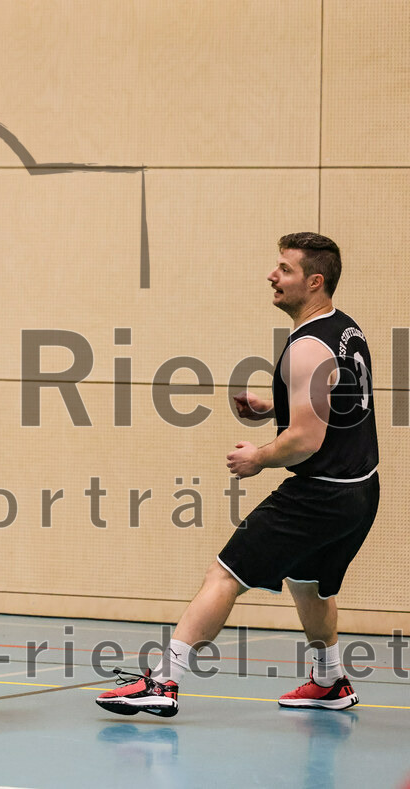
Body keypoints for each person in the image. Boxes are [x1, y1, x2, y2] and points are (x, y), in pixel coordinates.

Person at [96, 232, 379, 717]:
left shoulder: (307, 347)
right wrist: (277, 405)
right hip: (360, 492)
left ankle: (164, 682)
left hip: (319, 494)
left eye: (285, 270)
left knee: (224, 574)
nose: (272, 275)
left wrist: (260, 456)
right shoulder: (345, 329)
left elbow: (306, 441)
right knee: (308, 582)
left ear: (314, 281)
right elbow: (336, 401)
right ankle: (330, 680)